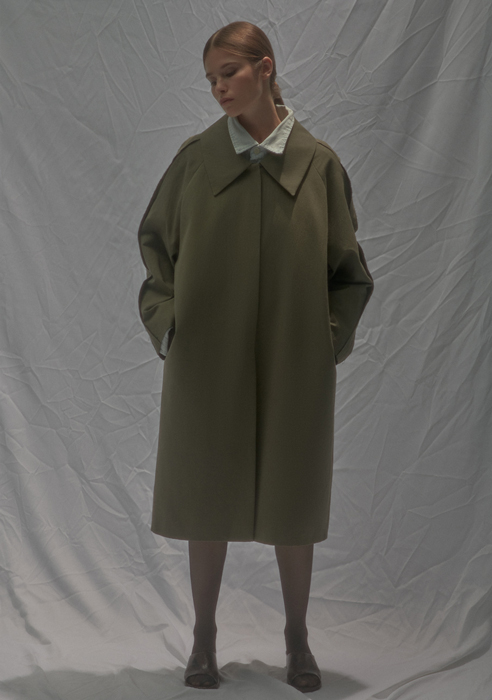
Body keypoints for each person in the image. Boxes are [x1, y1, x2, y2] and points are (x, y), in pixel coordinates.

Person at [137, 20, 374, 693]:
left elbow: (349, 271)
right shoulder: (196, 160)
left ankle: (298, 637)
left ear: (265, 68)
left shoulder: (318, 165)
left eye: (229, 73)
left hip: (295, 362)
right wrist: (170, 325)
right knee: (204, 493)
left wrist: (324, 339)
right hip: (205, 359)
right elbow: (156, 250)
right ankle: (203, 638)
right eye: (211, 78)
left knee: (294, 497)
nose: (218, 88)